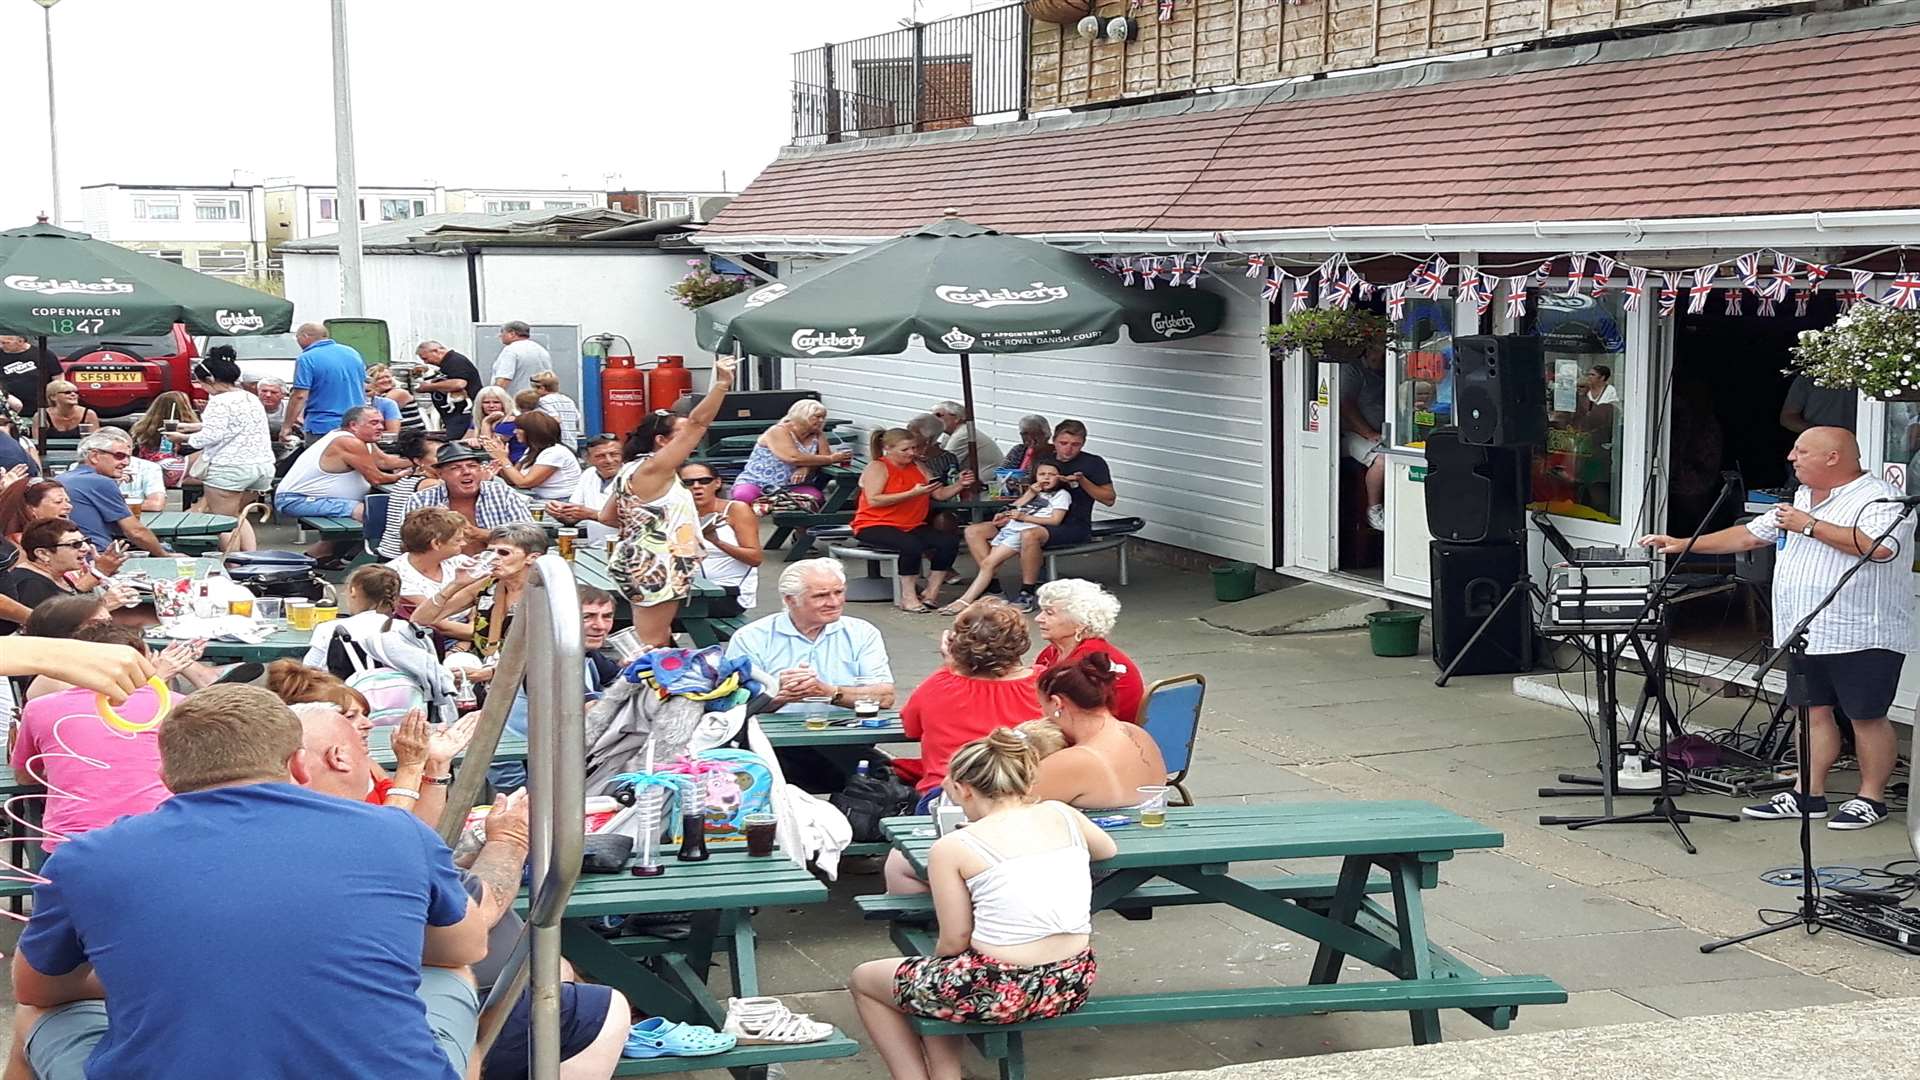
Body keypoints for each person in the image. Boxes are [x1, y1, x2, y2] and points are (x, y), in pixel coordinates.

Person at [7, 684, 488, 1080]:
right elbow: (463, 948)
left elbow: (36, 990)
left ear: (165, 776)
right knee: (453, 978)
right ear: (300, 765)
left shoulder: (85, 858)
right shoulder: (397, 831)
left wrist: (155, 966)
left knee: (33, 1018)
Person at [1640, 426, 1915, 830]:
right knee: (1810, 712)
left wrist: (1808, 525)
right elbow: (1751, 535)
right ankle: (1808, 793)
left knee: (1866, 715)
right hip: (1804, 629)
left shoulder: (1878, 497)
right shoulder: (1799, 497)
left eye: (1802, 450)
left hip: (1862, 631)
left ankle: (1870, 798)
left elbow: (1878, 546)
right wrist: (1685, 543)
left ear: (1833, 457)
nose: (1791, 456)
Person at [850, 728, 1112, 1080]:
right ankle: (945, 1074)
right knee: (938, 976)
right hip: (1070, 979)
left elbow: (955, 938)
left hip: (998, 987)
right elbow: (1107, 850)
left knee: (868, 979)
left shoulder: (954, 846)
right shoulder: (1062, 813)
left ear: (964, 790)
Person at [603, 358, 735, 646]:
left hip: (646, 558)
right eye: (680, 435)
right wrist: (722, 385)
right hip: (655, 565)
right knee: (652, 643)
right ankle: (643, 690)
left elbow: (607, 516)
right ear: (662, 441)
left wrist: (654, 526)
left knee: (658, 638)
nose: (690, 441)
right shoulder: (655, 469)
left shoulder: (631, 469)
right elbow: (699, 424)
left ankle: (653, 687)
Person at [11, 622, 171, 850]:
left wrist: (63, 768)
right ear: (143, 659)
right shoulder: (176, 704)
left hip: (73, 843)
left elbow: (25, 775)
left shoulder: (40, 707)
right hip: (159, 834)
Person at [896, 599, 1041, 803]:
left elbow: (910, 728)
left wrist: (949, 667)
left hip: (950, 796)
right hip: (1024, 795)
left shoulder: (938, 685)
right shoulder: (1043, 684)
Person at [488, 584, 622, 794]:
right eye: (588, 617)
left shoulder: (582, 647)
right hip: (522, 767)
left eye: (607, 616)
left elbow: (616, 678)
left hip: (555, 753)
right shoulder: (547, 658)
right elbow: (594, 711)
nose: (600, 626)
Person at [723, 558, 894, 711]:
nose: (834, 602)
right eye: (821, 596)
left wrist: (829, 692)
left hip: (846, 735)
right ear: (790, 600)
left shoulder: (862, 632)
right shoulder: (751, 637)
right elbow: (733, 705)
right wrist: (778, 697)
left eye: (839, 592)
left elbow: (885, 697)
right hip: (769, 741)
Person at [852, 428, 972, 613]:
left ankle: (931, 592)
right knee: (911, 545)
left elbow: (939, 494)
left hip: (911, 524)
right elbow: (874, 499)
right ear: (888, 448)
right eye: (905, 450)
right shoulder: (878, 466)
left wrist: (959, 485)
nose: (912, 453)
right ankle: (908, 597)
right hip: (874, 524)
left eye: (914, 448)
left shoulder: (918, 466)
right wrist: (911, 494)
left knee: (948, 541)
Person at [1030, 653, 1167, 808]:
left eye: (1042, 706)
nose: (1042, 714)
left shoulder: (1072, 762)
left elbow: (1007, 812)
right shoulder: (1139, 734)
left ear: (1057, 704)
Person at [1006, 420, 1117, 613]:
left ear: (1083, 444)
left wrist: (1083, 481)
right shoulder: (1045, 459)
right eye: (1063, 443)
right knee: (977, 531)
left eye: (1075, 445)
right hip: (1035, 514)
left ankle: (1027, 592)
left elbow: (1109, 499)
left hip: (1073, 524)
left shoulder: (1093, 463)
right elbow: (1028, 487)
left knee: (1030, 535)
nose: (1068, 450)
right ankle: (991, 585)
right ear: (1054, 441)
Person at [413, 523, 550, 677]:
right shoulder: (487, 584)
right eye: (490, 551)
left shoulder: (545, 594)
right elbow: (420, 619)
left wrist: (491, 673)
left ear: (532, 558)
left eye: (504, 553)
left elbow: (545, 652)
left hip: (525, 679)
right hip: (482, 668)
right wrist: (456, 583)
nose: (494, 558)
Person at [181, 346, 274, 551]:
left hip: (230, 468)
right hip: (261, 467)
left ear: (211, 380)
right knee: (239, 515)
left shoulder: (219, 401)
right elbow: (235, 426)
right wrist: (195, 427)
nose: (202, 387)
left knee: (222, 522)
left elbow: (212, 435)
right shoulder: (249, 397)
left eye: (201, 382)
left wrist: (184, 439)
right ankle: (251, 558)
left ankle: (230, 564)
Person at [948, 462, 1071, 614]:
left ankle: (966, 600)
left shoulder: (1062, 495)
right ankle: (993, 589)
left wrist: (1024, 517)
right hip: (1011, 527)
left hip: (1025, 530)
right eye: (1041, 474)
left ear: (1059, 478)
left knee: (989, 563)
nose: (1046, 477)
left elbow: (1055, 520)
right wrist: (1023, 499)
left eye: (1051, 475)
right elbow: (1013, 507)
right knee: (979, 542)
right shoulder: (1032, 492)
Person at [1031, 577, 1146, 724]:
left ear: (1080, 623)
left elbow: (1075, 721)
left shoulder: (1089, 662)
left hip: (1106, 737)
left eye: (1049, 613)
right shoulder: (1051, 653)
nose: (1038, 619)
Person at [389, 442, 532, 558]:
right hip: (441, 573)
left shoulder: (501, 492)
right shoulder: (421, 500)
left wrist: (481, 534)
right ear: (440, 474)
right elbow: (408, 545)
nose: (466, 472)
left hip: (498, 569)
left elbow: (531, 536)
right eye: (455, 468)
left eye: (472, 466)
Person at [273, 405, 409, 526]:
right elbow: (377, 479)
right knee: (370, 513)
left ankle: (325, 554)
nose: (381, 427)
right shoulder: (348, 442)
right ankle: (376, 552)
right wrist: (399, 476)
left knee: (372, 512)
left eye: (381, 422)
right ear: (354, 425)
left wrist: (419, 460)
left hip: (313, 499)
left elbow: (384, 462)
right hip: (297, 500)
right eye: (374, 423)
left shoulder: (361, 441)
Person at [0, 519, 135, 632]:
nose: (86, 548)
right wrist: (102, 606)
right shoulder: (30, 584)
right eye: (75, 545)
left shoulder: (58, 576)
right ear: (42, 554)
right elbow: (50, 631)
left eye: (85, 541)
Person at [58, 433, 168, 555]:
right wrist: (166, 556)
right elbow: (136, 532)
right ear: (94, 456)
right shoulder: (100, 482)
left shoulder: (59, 478)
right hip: (95, 555)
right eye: (119, 456)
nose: (126, 462)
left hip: (66, 554)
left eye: (128, 457)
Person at [729, 399, 851, 508]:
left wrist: (806, 467)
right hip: (757, 481)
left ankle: (802, 533)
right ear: (802, 416)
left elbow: (823, 458)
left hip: (791, 486)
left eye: (823, 417)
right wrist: (831, 459)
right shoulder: (778, 431)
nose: (821, 421)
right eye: (817, 417)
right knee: (743, 497)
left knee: (814, 499)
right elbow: (792, 457)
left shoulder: (817, 434)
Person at [681, 461, 762, 617]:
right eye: (688, 483)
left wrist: (716, 541)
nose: (696, 486)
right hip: (689, 590)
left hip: (728, 593)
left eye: (704, 481)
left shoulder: (736, 510)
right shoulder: (677, 513)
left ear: (717, 483)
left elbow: (755, 558)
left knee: (656, 611)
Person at [372, 428, 450, 557]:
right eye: (439, 456)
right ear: (418, 461)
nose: (446, 460)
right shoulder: (431, 485)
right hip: (403, 557)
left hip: (387, 553)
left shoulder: (405, 480)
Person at [285, 322, 370, 439]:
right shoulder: (352, 352)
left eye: (297, 338)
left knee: (320, 457)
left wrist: (287, 426)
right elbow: (364, 385)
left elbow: (299, 395)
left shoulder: (306, 358)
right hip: (356, 423)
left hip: (323, 426)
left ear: (304, 336)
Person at [1338, 343, 1389, 532]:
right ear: (1367, 350)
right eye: (1379, 352)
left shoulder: (1388, 371)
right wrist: (1369, 433)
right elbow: (1346, 406)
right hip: (1351, 432)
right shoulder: (1353, 370)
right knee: (1382, 460)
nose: (1383, 359)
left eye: (1386, 355)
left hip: (1382, 432)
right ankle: (1374, 511)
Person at [386, 506, 474, 608]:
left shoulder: (461, 562)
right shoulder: (395, 577)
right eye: (457, 540)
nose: (464, 544)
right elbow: (430, 616)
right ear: (436, 543)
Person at [546, 434, 623, 545]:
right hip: (595, 547)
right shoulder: (589, 474)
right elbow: (572, 519)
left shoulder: (633, 477)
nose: (609, 460)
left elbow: (637, 524)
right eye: (600, 456)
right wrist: (559, 512)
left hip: (625, 551)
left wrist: (592, 514)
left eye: (614, 454)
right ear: (588, 459)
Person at [488, 410, 582, 500]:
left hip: (561, 501)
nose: (514, 432)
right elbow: (511, 480)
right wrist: (499, 457)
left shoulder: (555, 452)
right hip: (540, 499)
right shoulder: (531, 450)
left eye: (518, 428)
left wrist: (503, 459)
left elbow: (524, 483)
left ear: (531, 431)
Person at [127, 390, 199, 489]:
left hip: (151, 469)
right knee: (211, 453)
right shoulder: (182, 426)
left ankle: (200, 503)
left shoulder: (143, 426)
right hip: (171, 467)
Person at [415, 340, 483, 439]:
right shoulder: (445, 364)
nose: (426, 362)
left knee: (456, 442)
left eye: (425, 358)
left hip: (462, 414)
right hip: (452, 415)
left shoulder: (455, 361)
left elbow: (459, 383)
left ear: (436, 351)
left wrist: (428, 387)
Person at [931, 399, 1002, 478]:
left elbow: (945, 463)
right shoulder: (949, 434)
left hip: (984, 483)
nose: (933, 419)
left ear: (956, 418)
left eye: (938, 415)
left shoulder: (963, 434)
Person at [0, 334, 62, 416]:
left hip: (40, 407)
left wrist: (57, 401)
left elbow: (59, 379)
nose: (1, 346)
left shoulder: (44, 354)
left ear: (20, 341)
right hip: (9, 407)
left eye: (5, 343)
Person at [1781, 372, 1857, 434]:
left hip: (1858, 441)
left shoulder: (1864, 377)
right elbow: (1788, 417)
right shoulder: (1807, 378)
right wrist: (1820, 433)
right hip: (1818, 442)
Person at [997, 414, 1051, 495]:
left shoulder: (1052, 453)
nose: (1029, 437)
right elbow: (1001, 472)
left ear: (1046, 435)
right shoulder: (1018, 450)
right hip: (1010, 495)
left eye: (1034, 433)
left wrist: (1033, 455)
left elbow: (1034, 479)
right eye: (1025, 434)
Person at [492, 321, 551, 394]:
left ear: (512, 333)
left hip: (517, 400)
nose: (500, 336)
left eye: (502, 332)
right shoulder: (541, 350)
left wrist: (493, 396)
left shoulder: (511, 350)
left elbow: (503, 379)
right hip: (538, 398)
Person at [31, 380, 97, 443]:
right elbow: (37, 443)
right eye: (67, 392)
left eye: (76, 392)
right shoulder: (42, 416)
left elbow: (95, 442)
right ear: (53, 397)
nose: (73, 394)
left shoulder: (89, 414)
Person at [530, 370, 582, 447]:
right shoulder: (568, 400)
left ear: (542, 388)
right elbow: (577, 418)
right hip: (572, 443)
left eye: (534, 388)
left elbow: (555, 419)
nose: (533, 391)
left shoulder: (544, 401)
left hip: (556, 445)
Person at [906, 413, 960, 486]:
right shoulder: (902, 454)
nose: (906, 434)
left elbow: (951, 484)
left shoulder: (947, 459)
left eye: (913, 432)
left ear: (928, 438)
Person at [370, 364, 425, 433]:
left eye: (387, 377)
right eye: (379, 378)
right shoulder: (380, 395)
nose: (385, 380)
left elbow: (373, 413)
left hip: (411, 437)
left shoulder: (398, 393)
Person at [471, 385, 520, 454]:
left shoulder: (511, 422)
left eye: (496, 402)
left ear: (504, 404)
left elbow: (491, 449)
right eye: (486, 402)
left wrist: (486, 422)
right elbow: (464, 442)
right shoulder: (477, 421)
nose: (491, 406)